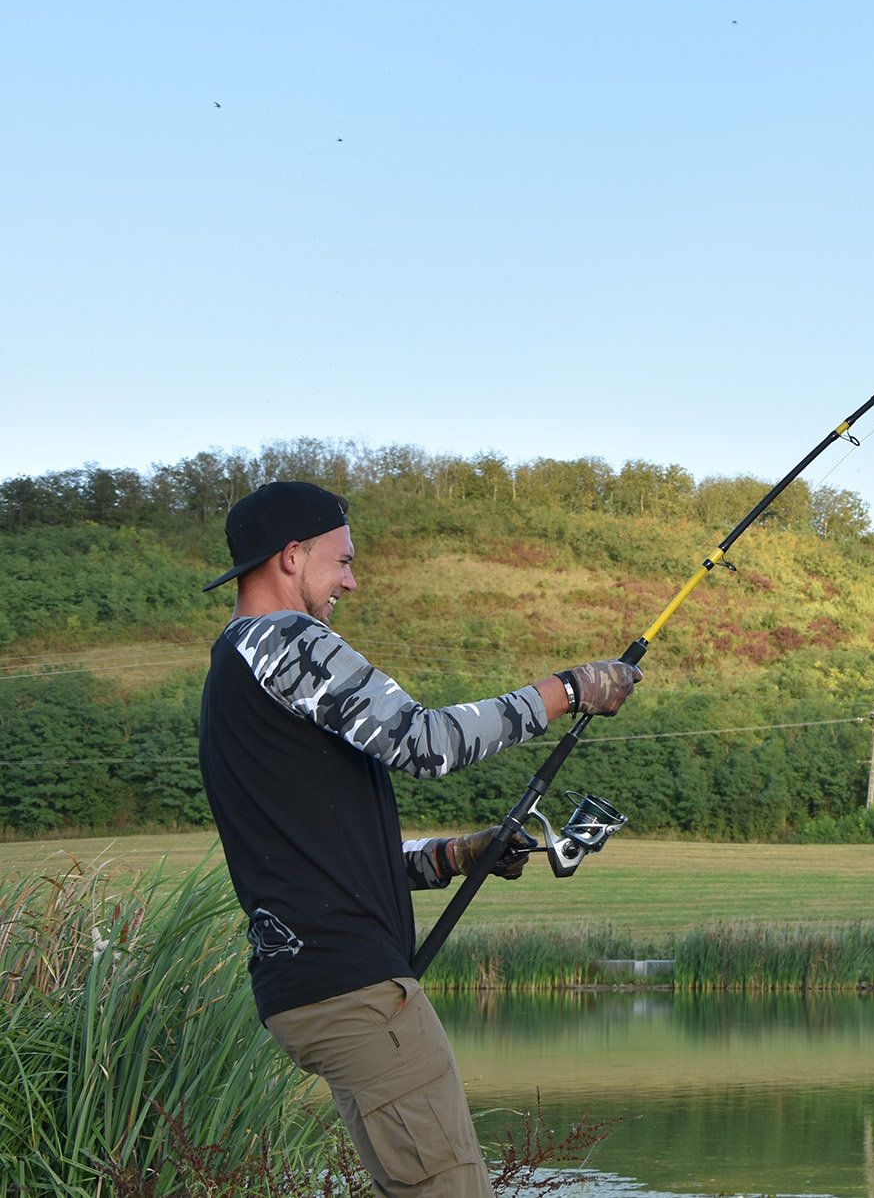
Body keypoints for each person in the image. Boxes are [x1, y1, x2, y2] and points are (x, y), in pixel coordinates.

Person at [197, 481, 640, 1196]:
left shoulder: (232, 670)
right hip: (356, 990)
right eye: (341, 560)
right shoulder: (287, 641)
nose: (351, 578)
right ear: (290, 556)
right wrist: (569, 689)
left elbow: (317, 851)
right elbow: (425, 742)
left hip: (308, 989)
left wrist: (452, 856)